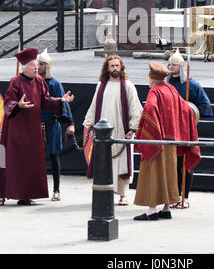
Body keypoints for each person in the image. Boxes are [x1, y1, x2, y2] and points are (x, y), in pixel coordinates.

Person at [0, 47, 74, 206]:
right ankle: (2, 194)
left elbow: (46, 101)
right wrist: (18, 105)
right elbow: (8, 105)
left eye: (37, 65)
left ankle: (25, 196)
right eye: (34, 65)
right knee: (9, 161)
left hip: (32, 129)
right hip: (16, 129)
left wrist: (60, 101)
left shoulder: (39, 82)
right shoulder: (15, 82)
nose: (37, 68)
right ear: (25, 66)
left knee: (30, 162)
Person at [133, 61, 201, 221]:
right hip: (172, 143)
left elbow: (149, 109)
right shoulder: (171, 89)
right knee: (170, 174)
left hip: (156, 140)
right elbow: (187, 110)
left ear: (151, 79)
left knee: (153, 174)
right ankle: (166, 208)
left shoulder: (154, 92)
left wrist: (151, 132)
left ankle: (151, 211)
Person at [83, 55, 143, 206]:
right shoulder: (101, 85)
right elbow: (94, 106)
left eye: (117, 65)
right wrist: (90, 126)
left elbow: (135, 108)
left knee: (122, 163)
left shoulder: (128, 86)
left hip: (122, 131)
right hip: (104, 132)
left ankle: (123, 195)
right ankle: (105, 193)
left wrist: (132, 128)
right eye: (112, 66)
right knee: (104, 162)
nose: (115, 68)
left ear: (121, 67)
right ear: (107, 68)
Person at [166, 48, 213, 208]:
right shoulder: (165, 84)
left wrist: (190, 110)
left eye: (174, 64)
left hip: (186, 130)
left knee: (184, 164)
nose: (171, 67)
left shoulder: (192, 85)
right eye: (170, 64)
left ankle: (184, 197)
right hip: (170, 130)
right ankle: (174, 196)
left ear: (181, 66)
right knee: (172, 164)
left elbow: (205, 105)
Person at [37, 49, 75, 202]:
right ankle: (34, 190)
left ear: (47, 66)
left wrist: (70, 123)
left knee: (54, 157)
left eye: (41, 64)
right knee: (34, 160)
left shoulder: (54, 83)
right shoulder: (33, 83)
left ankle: (56, 190)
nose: (38, 66)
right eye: (37, 63)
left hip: (52, 125)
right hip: (35, 126)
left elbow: (63, 103)